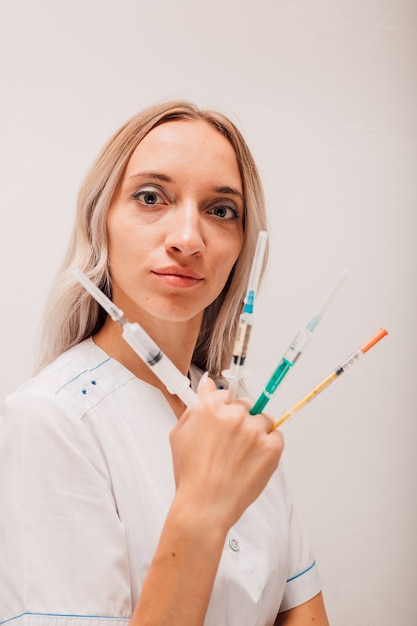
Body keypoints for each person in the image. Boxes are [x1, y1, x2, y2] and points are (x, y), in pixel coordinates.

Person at [0, 101, 329, 626]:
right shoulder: (50, 420)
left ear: (243, 244)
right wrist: (201, 511)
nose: (187, 239)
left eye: (221, 210)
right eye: (151, 198)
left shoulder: (235, 414)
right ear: (100, 219)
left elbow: (304, 614)